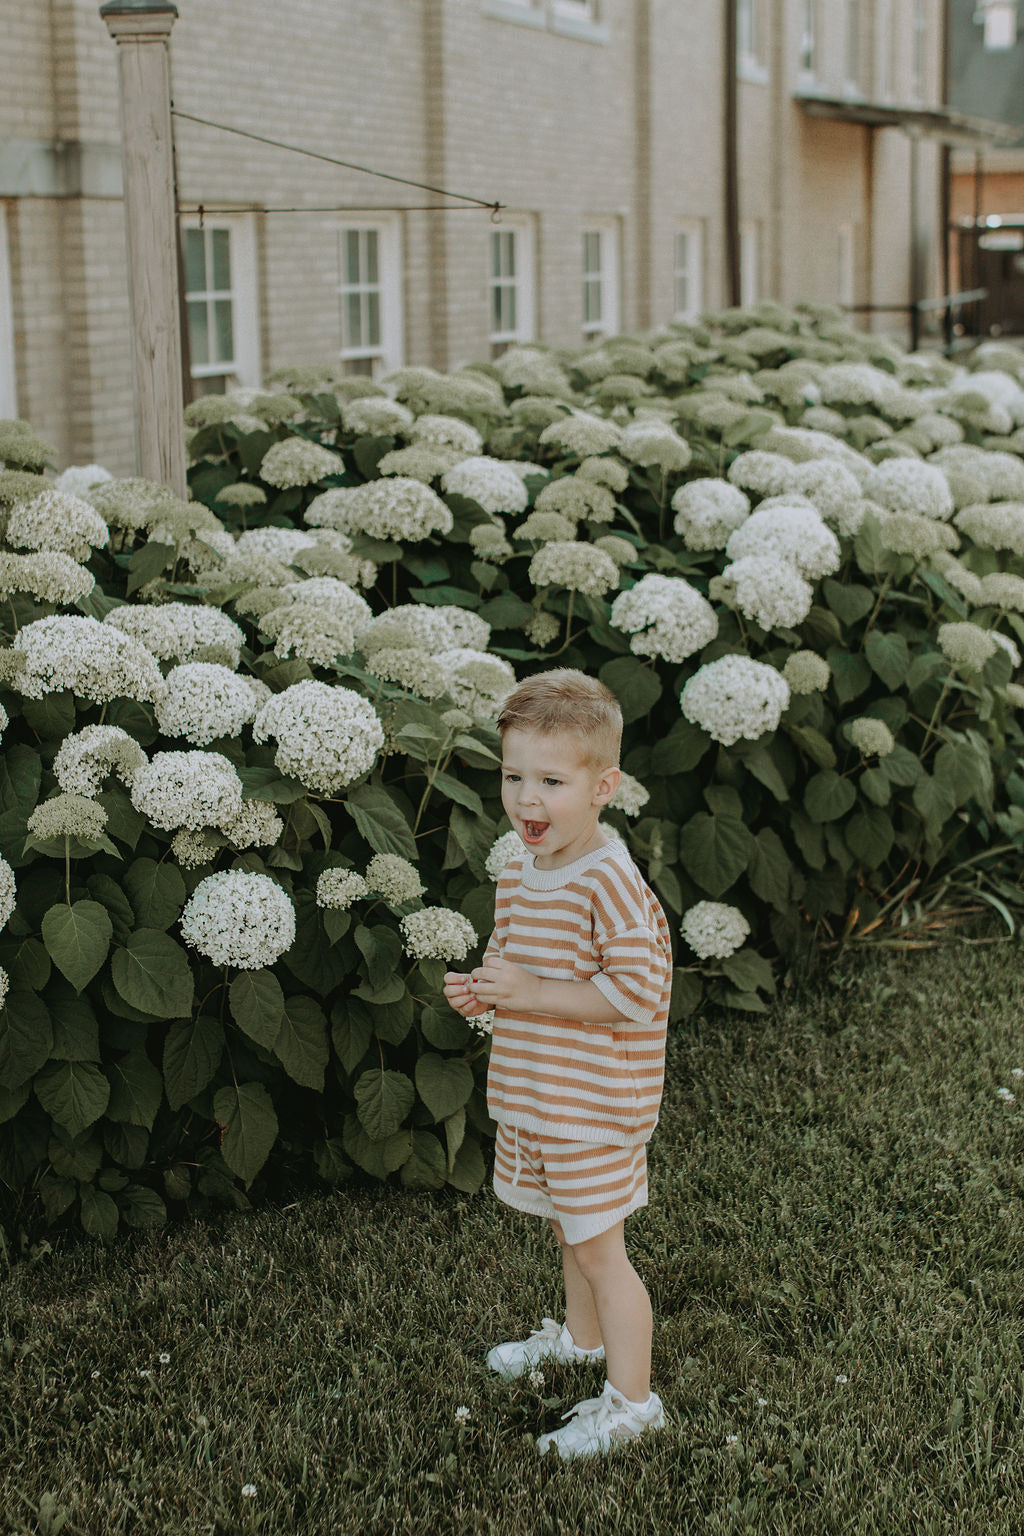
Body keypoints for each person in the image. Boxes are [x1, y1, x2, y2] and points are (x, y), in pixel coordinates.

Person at [443, 668, 673, 1461]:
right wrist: (487, 988)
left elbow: (636, 991)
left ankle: (633, 1402)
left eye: (551, 781)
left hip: (594, 1102)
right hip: (544, 1091)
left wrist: (531, 991)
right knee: (572, 1236)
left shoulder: (608, 878)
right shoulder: (521, 866)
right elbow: (514, 950)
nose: (527, 800)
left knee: (603, 1251)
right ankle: (579, 1344)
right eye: (513, 777)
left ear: (603, 785)